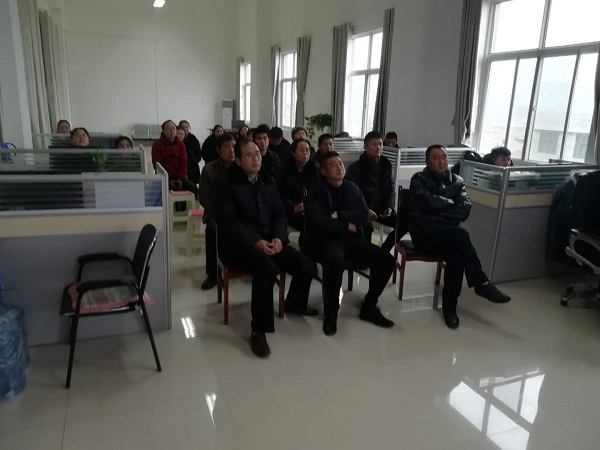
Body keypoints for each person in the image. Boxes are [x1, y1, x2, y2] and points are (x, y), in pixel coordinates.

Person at [212, 137, 317, 358]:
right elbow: (228, 223)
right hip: (237, 245)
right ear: (238, 161)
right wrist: (254, 241)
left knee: (306, 265)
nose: (256, 159)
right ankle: (258, 330)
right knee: (266, 267)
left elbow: (279, 214)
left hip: (268, 240)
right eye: (249, 155)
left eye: (257, 154)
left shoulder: (267, 181)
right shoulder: (225, 184)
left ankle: (293, 302)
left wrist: (279, 237)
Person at [408, 145, 511, 330]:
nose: (441, 161)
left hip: (449, 237)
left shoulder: (458, 181)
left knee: (457, 255)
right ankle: (480, 283)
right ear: (427, 161)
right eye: (436, 158)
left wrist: (439, 210)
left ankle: (450, 309)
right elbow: (427, 203)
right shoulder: (418, 179)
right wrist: (450, 205)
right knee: (461, 235)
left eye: (444, 157)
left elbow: (464, 209)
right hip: (425, 236)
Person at [303, 151, 396, 336]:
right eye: (333, 165)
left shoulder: (351, 187)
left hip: (351, 239)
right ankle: (331, 313)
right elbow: (319, 222)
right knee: (334, 261)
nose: (339, 168)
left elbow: (363, 213)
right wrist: (345, 223)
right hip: (327, 240)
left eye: (340, 164)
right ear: (323, 171)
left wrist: (338, 215)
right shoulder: (316, 193)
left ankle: (369, 306)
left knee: (387, 260)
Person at [346, 131, 397, 253]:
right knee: (366, 227)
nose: (378, 147)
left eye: (380, 144)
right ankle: (367, 255)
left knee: (404, 223)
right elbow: (351, 194)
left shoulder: (386, 164)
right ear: (365, 147)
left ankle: (383, 251)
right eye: (374, 144)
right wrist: (366, 210)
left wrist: (390, 207)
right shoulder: (355, 168)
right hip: (363, 209)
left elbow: (391, 189)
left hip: (382, 209)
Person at [198, 133, 236, 290]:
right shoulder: (209, 169)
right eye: (226, 147)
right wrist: (220, 211)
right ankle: (213, 274)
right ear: (218, 150)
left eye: (234, 146)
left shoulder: (240, 166)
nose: (231, 150)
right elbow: (203, 197)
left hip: (237, 211)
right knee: (213, 229)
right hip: (215, 211)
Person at [277, 138, 319, 238]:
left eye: (307, 150)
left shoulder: (314, 168)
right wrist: (293, 207)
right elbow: (279, 193)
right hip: (288, 209)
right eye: (301, 150)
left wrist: (306, 204)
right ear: (293, 153)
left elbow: (316, 191)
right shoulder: (284, 168)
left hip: (308, 208)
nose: (305, 153)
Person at [151, 120, 198, 197]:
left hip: (180, 178)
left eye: (173, 128)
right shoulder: (157, 145)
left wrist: (180, 178)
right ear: (163, 131)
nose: (172, 130)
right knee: (157, 196)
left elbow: (183, 163)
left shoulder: (181, 144)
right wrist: (169, 180)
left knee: (196, 191)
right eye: (168, 128)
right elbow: (157, 165)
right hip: (164, 178)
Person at [179, 120, 202, 184]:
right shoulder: (177, 141)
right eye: (183, 127)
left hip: (192, 168)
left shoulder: (194, 139)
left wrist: (193, 162)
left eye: (187, 127)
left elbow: (199, 155)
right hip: (181, 169)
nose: (185, 129)